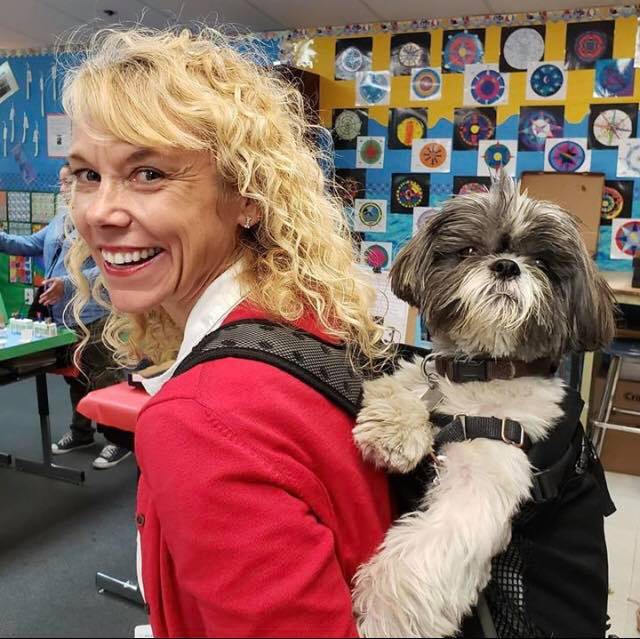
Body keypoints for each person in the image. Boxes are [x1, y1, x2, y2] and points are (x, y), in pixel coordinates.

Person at [64, 27, 392, 637]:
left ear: (247, 196)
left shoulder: (201, 419)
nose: (98, 212)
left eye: (149, 174)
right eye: (86, 175)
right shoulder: (309, 315)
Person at [0, 164, 132, 469]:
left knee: (104, 378)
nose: (63, 187)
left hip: (94, 312)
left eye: (68, 181)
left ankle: (119, 440)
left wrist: (67, 283)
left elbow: (108, 265)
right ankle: (81, 432)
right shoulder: (60, 220)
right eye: (60, 182)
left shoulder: (100, 220)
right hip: (63, 317)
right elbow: (29, 245)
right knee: (77, 379)